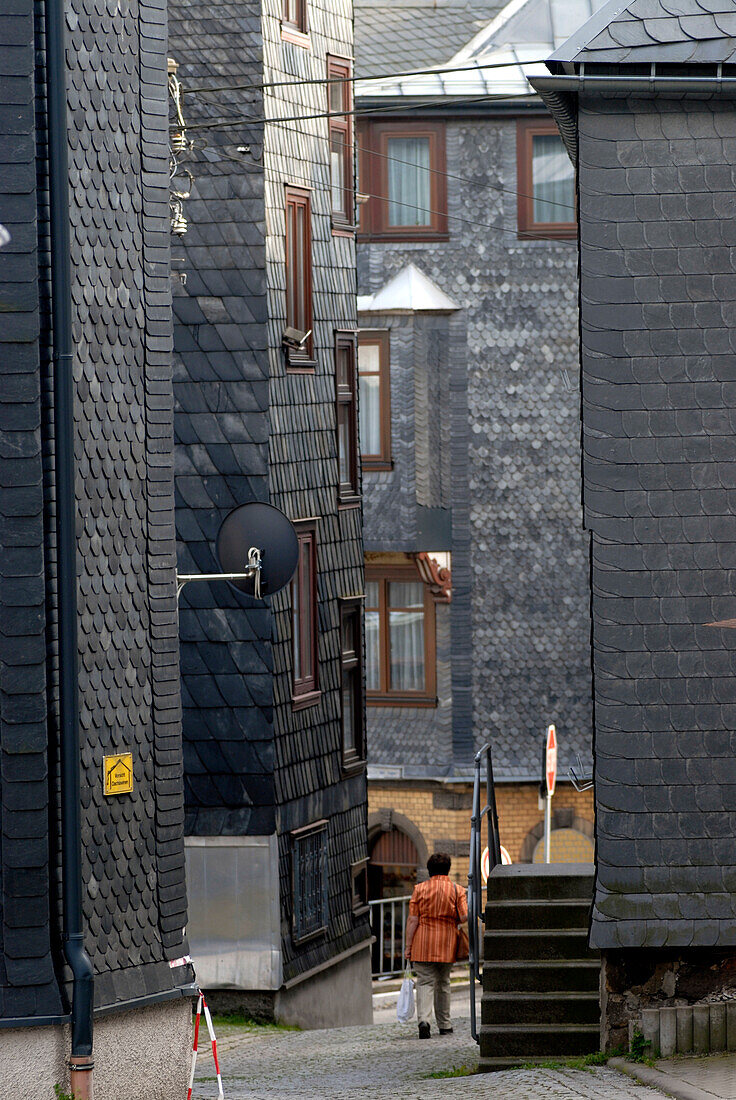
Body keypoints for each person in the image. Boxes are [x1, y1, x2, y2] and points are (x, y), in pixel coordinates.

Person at [404, 851, 468, 1039]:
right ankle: (445, 1024)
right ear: (448, 869)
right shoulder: (457, 890)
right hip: (447, 943)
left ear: (430, 870)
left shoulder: (419, 889)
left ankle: (424, 1021)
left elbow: (413, 920)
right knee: (444, 982)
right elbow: (464, 917)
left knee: (424, 982)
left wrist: (408, 946)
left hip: (422, 942)